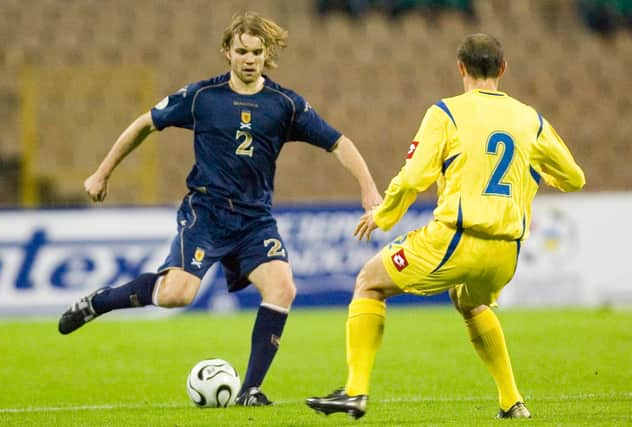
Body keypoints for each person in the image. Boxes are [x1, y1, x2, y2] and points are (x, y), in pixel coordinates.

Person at [58, 11, 382, 407]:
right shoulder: (202, 98)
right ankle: (100, 302)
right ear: (227, 52)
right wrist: (101, 173)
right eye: (242, 51)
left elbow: (339, 142)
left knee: (283, 287)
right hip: (206, 214)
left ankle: (250, 390)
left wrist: (368, 189)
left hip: (254, 220)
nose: (249, 59)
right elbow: (144, 123)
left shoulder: (285, 105)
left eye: (257, 52)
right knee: (178, 294)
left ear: (267, 55)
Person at [306, 33, 585, 419]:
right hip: (506, 252)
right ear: (503, 69)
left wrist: (383, 215)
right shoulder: (530, 119)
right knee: (470, 302)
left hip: (457, 238)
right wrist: (539, 175)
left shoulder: (446, 113)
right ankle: (512, 401)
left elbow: (413, 176)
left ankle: (355, 391)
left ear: (461, 68)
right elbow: (574, 177)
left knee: (369, 283)